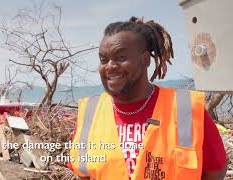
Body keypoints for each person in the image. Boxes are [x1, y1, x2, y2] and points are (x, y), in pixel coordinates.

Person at [68, 17, 227, 180]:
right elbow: (84, 172)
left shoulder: (186, 109)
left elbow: (214, 172)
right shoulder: (89, 113)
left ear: (145, 59)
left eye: (121, 57)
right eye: (103, 59)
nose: (110, 66)